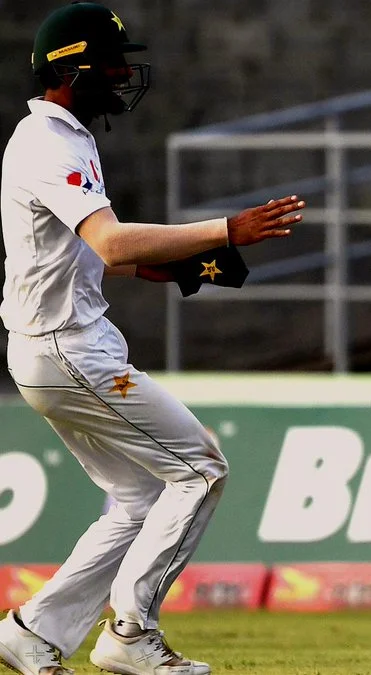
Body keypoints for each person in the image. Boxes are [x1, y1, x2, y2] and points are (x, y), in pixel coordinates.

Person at [0, 4, 304, 675]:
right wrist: (225, 230)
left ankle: (31, 629)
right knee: (201, 467)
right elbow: (109, 238)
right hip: (67, 348)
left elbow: (99, 254)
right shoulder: (49, 141)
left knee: (141, 497)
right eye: (110, 62)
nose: (121, 73)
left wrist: (186, 267)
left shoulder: (65, 136)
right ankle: (129, 633)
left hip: (55, 347)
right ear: (72, 68)